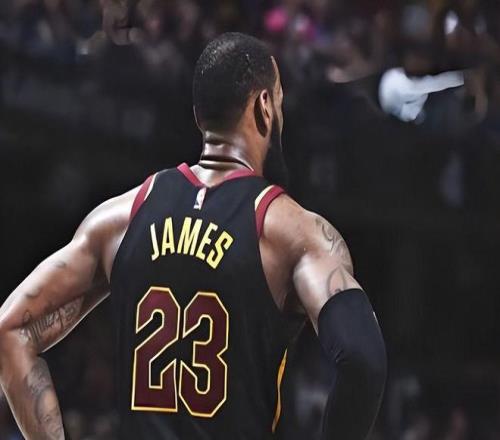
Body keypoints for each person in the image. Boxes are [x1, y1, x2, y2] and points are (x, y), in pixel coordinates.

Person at [0, 26, 386, 440]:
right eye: (279, 100)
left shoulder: (120, 219)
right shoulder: (293, 231)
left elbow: (11, 329)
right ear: (264, 106)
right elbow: (362, 358)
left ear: (199, 117)